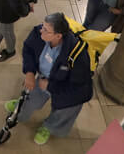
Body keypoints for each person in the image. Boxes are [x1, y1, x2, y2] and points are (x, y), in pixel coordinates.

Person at [6, 13, 94, 145]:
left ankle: (49, 127)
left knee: (62, 111)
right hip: (44, 78)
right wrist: (30, 72)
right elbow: (28, 49)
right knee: (31, 97)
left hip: (65, 88)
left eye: (46, 30)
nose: (41, 30)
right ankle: (21, 108)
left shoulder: (78, 55)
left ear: (58, 36)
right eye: (43, 26)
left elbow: (79, 86)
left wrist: (50, 87)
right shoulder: (39, 33)